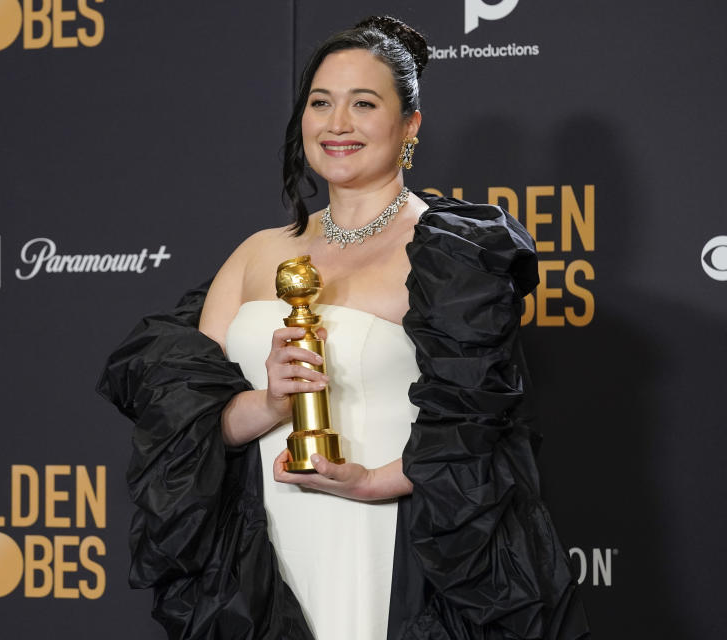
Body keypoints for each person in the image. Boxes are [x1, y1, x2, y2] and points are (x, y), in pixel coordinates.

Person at [100, 15, 589, 640]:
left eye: (364, 103)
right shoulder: (257, 254)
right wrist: (268, 401)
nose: (337, 124)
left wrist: (368, 482)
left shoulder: (454, 255)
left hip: (395, 544)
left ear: (409, 125)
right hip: (264, 550)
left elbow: (478, 428)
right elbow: (181, 418)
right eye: (320, 103)